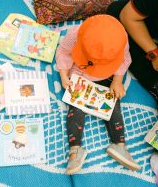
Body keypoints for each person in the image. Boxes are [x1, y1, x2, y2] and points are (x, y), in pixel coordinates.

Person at [56, 14, 140, 175]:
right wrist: (64, 76)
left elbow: (124, 59)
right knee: (75, 108)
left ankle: (119, 145)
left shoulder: (120, 39)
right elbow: (64, 52)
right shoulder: (75, 34)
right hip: (80, 75)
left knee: (114, 103)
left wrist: (117, 81)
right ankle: (75, 150)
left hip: (107, 75)